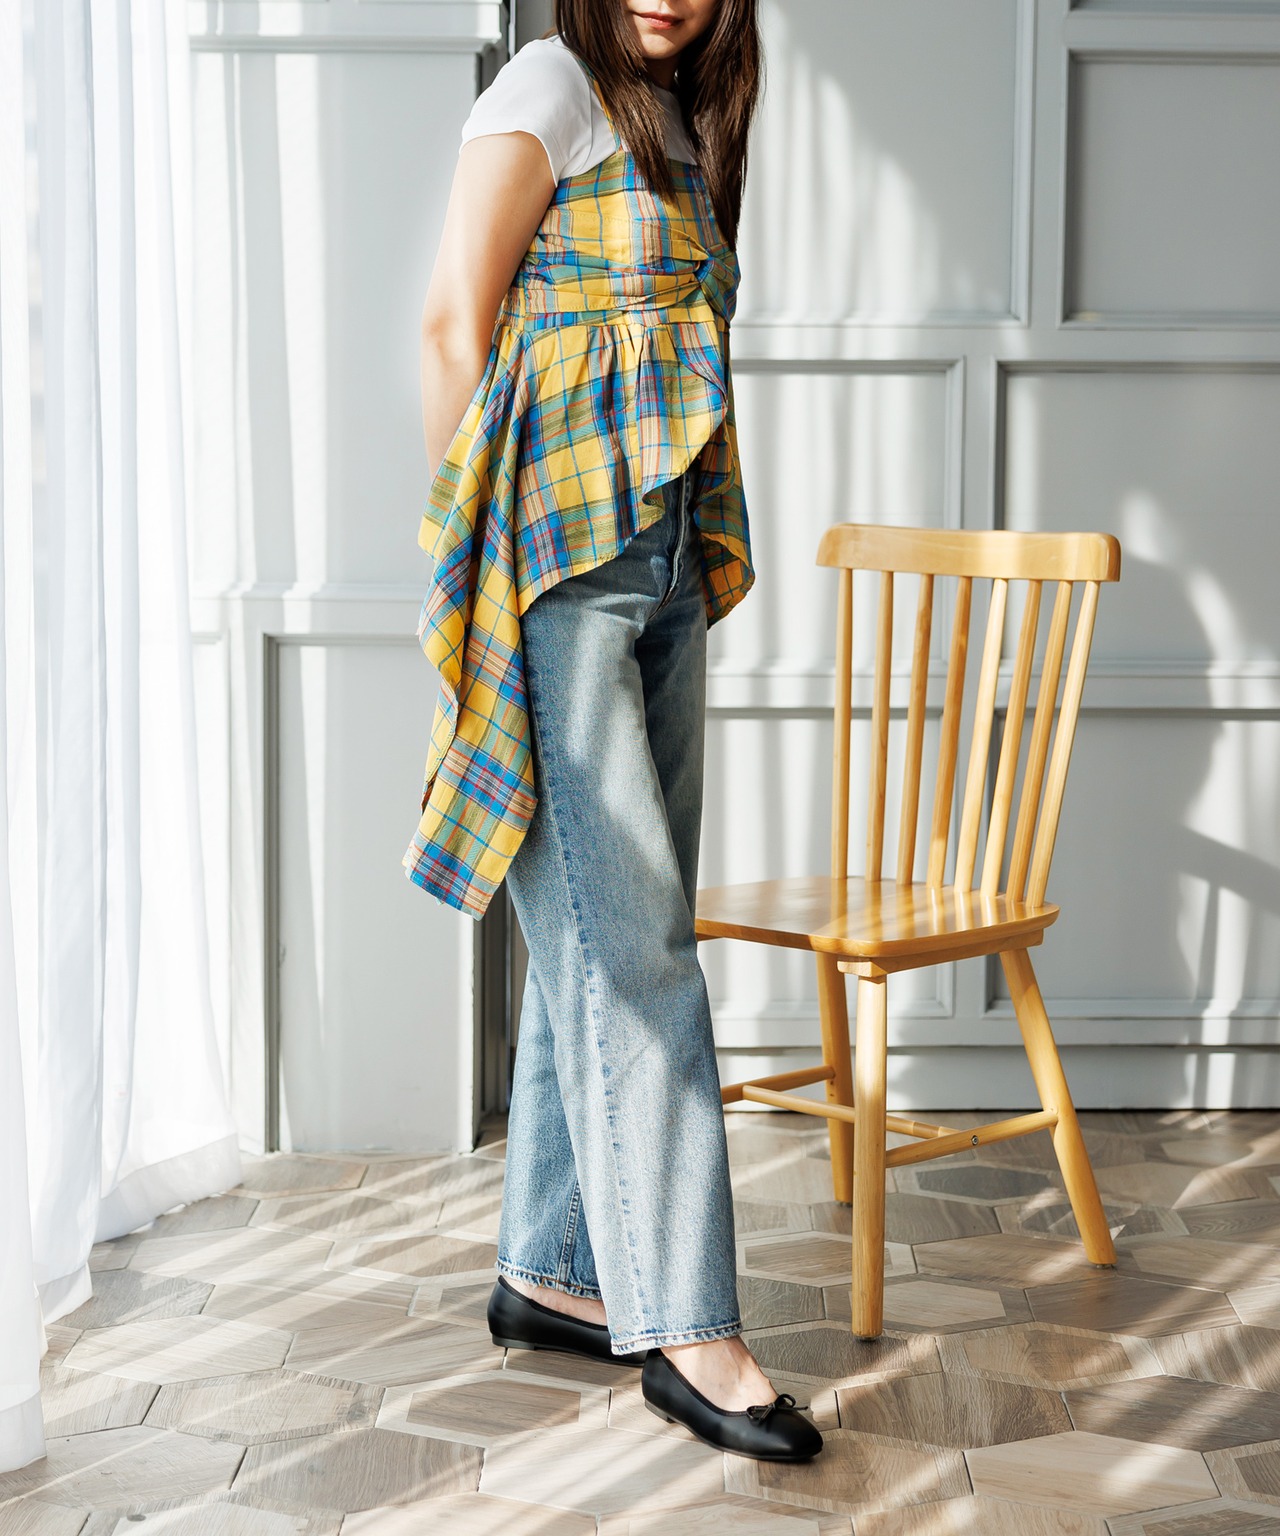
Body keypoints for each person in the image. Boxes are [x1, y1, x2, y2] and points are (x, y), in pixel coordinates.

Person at [403, 0, 822, 1462]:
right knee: (633, 950)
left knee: (608, 930)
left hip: (663, 562)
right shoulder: (550, 85)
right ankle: (695, 1331)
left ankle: (554, 1268)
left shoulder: (693, 122)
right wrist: (482, 566)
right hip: (558, 577)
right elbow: (454, 324)